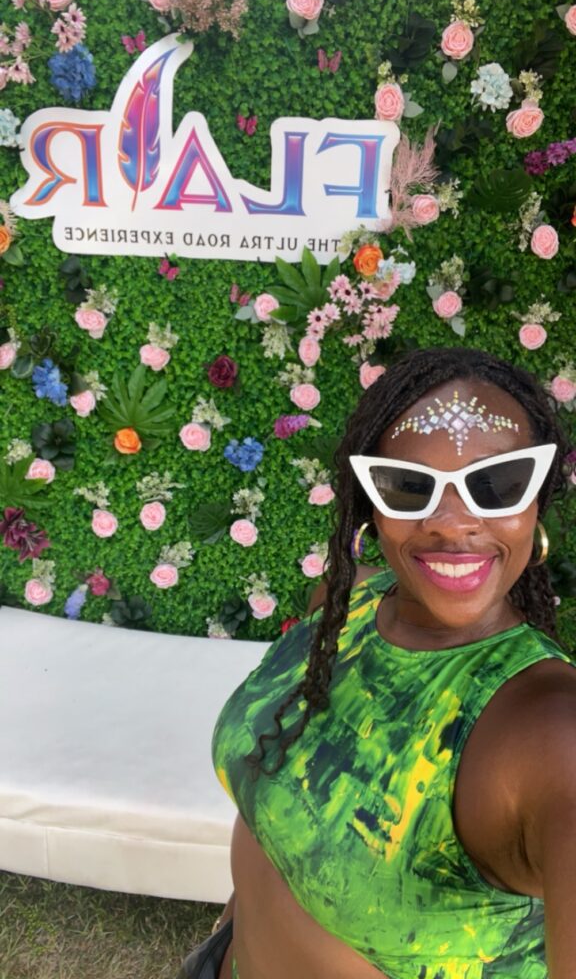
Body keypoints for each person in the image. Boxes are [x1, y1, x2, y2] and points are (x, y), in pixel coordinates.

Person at [184, 346, 576, 979]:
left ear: (537, 500)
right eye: (408, 485)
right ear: (370, 504)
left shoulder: (549, 733)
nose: (454, 523)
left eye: (498, 482)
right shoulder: (344, 609)